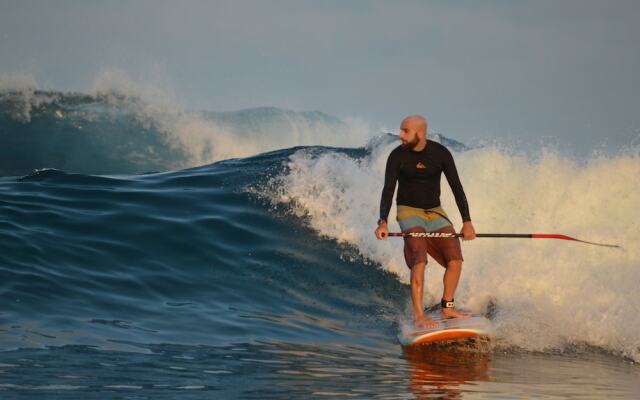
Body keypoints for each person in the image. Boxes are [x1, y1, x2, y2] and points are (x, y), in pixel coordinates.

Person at [374, 115, 476, 329]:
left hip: (435, 212)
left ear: (419, 133)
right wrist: (383, 221)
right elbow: (388, 190)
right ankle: (419, 315)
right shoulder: (397, 156)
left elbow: (457, 188)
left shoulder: (440, 154)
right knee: (419, 259)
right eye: (401, 130)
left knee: (455, 258)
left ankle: (447, 307)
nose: (400, 135)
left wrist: (467, 222)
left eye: (405, 131)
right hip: (408, 211)